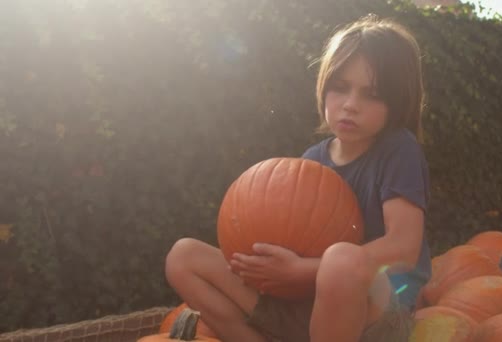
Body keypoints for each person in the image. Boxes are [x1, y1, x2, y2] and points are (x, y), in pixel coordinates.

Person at [164, 14, 431, 342]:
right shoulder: (312, 161)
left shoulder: (397, 150)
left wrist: (302, 270)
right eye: (340, 88)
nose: (350, 105)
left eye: (371, 95)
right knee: (184, 257)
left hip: (375, 317)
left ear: (397, 102)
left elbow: (403, 247)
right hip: (304, 306)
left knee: (342, 259)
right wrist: (265, 268)